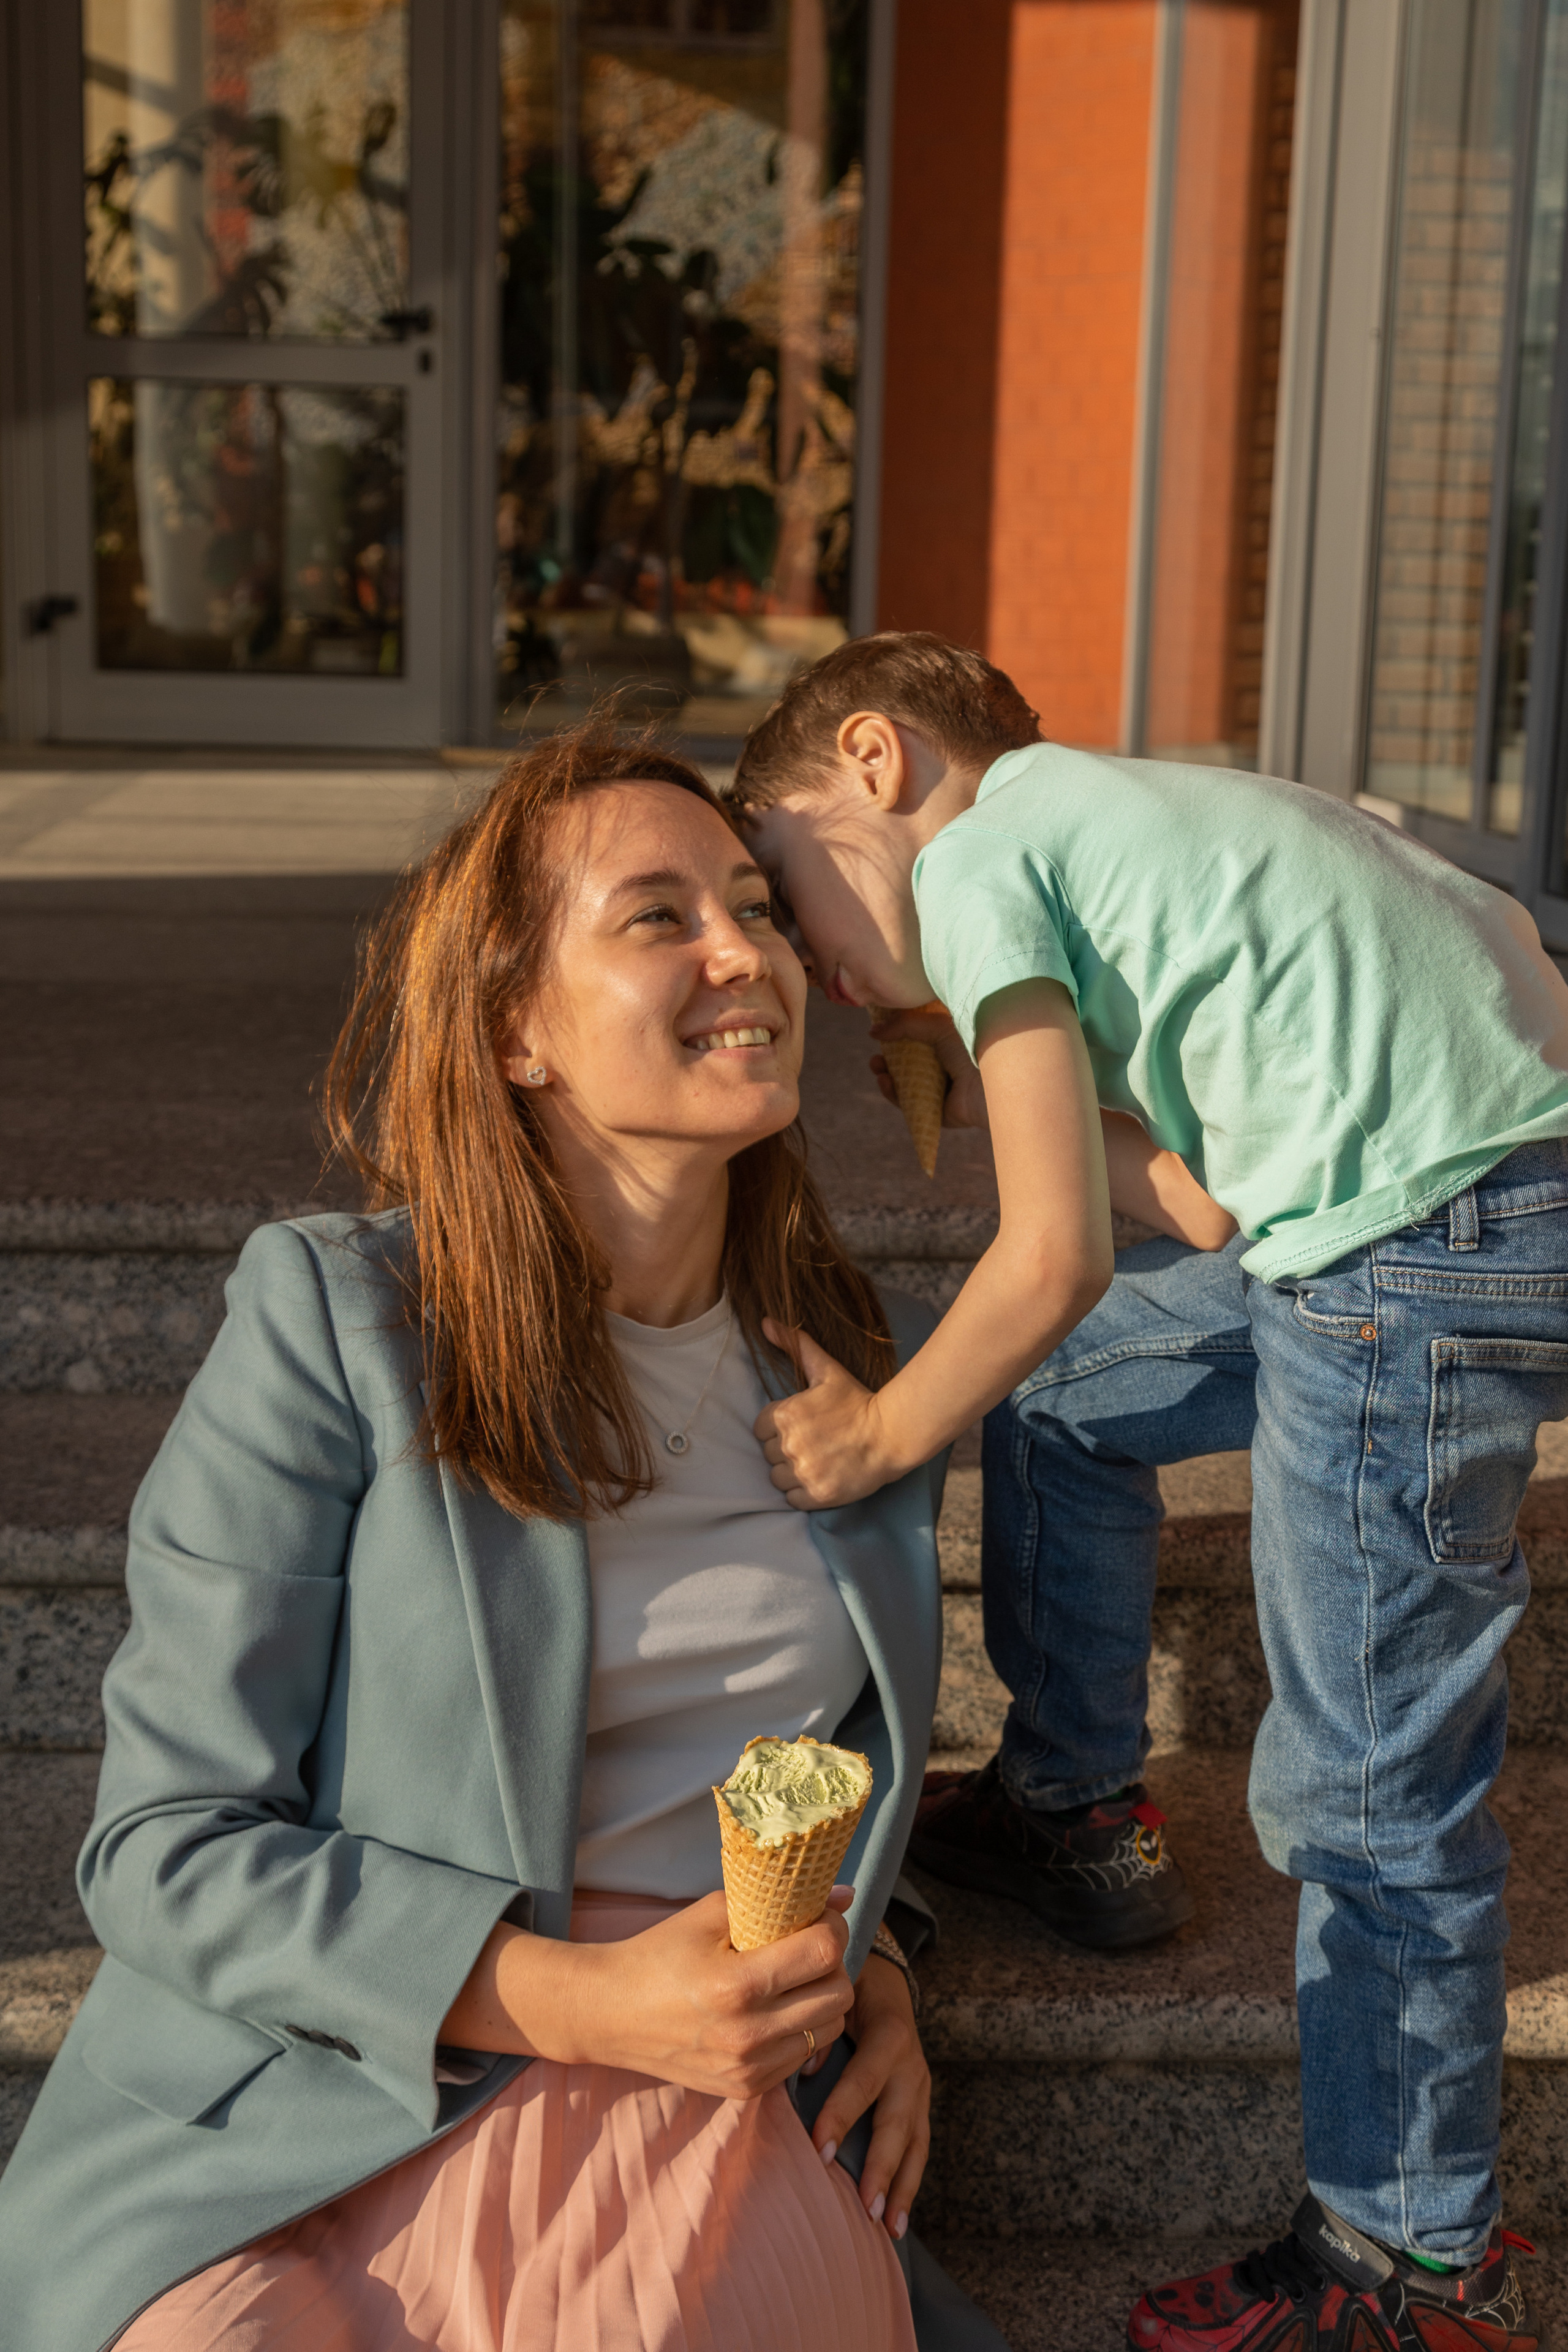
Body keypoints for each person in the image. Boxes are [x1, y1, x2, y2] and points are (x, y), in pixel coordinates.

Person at [0, 724, 1009, 2352]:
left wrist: (867, 1955)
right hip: (316, 2095)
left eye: (754, 904)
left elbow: (826, 1761)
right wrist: (578, 1999)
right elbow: (165, 1849)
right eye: (657, 916)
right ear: (516, 1025)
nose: (743, 951)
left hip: (704, 2119)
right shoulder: (338, 1324)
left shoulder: (857, 1362)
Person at [731, 631, 1568, 2352]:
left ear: (873, 770)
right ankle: (1074, 1803)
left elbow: (1046, 1255)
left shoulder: (971, 867)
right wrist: (972, 1057)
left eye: (777, 878)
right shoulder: (1122, 820)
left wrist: (882, 1437)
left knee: (1371, 1791)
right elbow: (1184, 1209)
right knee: (1069, 1398)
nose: (797, 956)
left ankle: (1407, 2264)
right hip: (1490, 1198)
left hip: (1404, 1252)